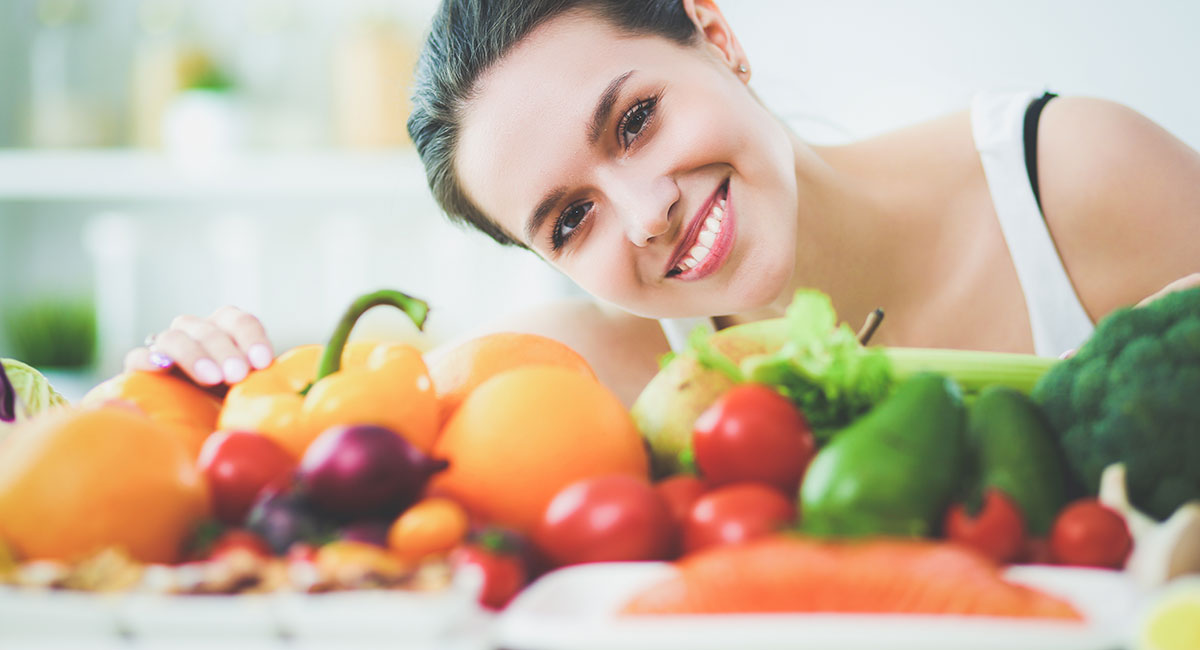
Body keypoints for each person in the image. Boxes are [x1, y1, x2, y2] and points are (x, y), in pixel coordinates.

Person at [126, 0, 1200, 407]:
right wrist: (202, 375)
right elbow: (333, 410)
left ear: (716, 35)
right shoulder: (609, 372)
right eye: (568, 219)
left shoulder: (1067, 177)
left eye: (634, 120)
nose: (642, 213)